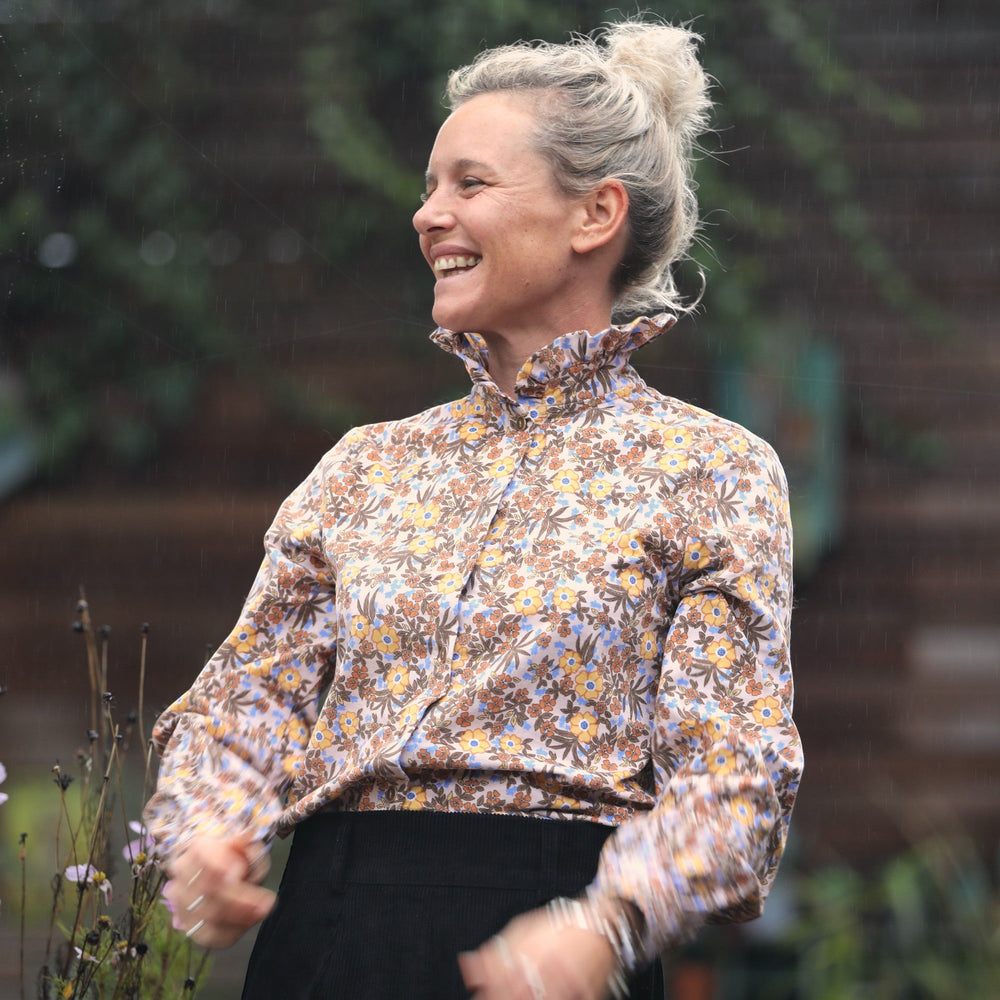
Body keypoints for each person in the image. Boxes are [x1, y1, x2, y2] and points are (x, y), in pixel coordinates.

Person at [146, 18, 802, 1000]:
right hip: (327, 937)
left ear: (596, 215)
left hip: (557, 946)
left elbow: (735, 779)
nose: (428, 215)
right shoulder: (364, 467)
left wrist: (606, 926)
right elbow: (245, 709)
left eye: (471, 183)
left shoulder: (711, 471)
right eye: (428, 188)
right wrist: (204, 829)